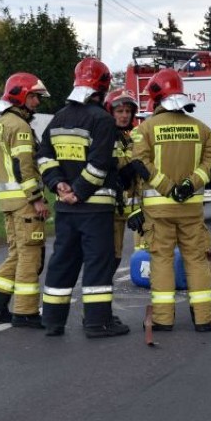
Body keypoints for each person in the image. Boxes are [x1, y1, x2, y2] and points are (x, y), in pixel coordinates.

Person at [37, 57, 129, 338]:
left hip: (65, 210)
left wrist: (58, 185)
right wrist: (78, 191)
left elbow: (43, 156)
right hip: (95, 208)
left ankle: (52, 321)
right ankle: (98, 322)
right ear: (102, 87)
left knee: (62, 263)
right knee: (97, 266)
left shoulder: (59, 117)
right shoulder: (102, 120)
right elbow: (100, 164)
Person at [129, 69, 211, 332]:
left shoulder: (145, 129)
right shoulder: (201, 129)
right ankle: (203, 318)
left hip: (159, 210)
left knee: (162, 261)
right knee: (196, 260)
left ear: (156, 98)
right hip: (191, 209)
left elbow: (139, 162)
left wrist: (168, 188)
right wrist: (190, 185)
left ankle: (163, 318)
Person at [0, 72, 51, 328]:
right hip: (25, 201)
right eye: (34, 97)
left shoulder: (2, 121)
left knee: (17, 254)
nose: (37, 102)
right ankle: (26, 312)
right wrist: (37, 199)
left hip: (8, 202)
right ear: (20, 95)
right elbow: (23, 167)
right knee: (30, 256)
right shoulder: (20, 127)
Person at [104, 88, 142, 278]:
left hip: (127, 206)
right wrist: (131, 164)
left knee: (117, 255)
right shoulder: (106, 135)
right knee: (109, 256)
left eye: (128, 111)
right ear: (111, 112)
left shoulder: (130, 137)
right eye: (120, 111)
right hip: (109, 207)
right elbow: (112, 163)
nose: (125, 115)